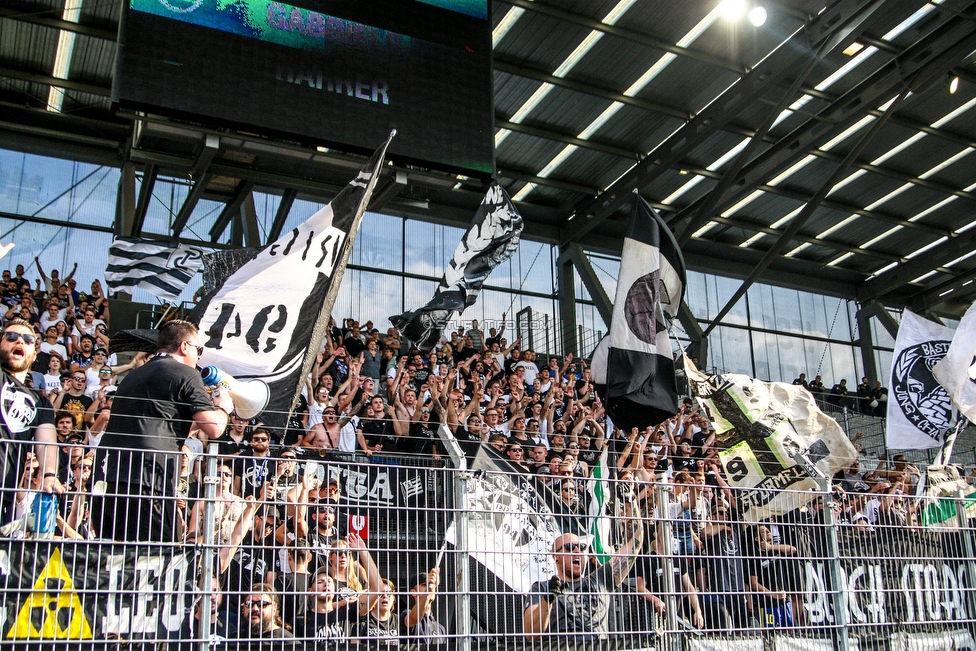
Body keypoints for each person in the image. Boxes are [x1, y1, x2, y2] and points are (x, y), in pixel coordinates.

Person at [90, 320, 232, 543]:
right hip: (149, 480)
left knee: (113, 557)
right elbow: (214, 428)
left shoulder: (135, 375)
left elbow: (161, 420)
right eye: (199, 350)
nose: (199, 357)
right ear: (184, 347)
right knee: (154, 557)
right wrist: (223, 407)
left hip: (109, 477)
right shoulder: (186, 373)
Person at [523, 519, 643, 639]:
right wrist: (547, 600)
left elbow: (635, 543)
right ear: (556, 556)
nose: (577, 551)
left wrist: (630, 501)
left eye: (581, 547)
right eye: (570, 547)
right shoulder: (542, 588)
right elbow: (531, 633)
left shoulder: (600, 580)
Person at [0, 318, 60, 524]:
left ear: (34, 354)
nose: (19, 341)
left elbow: (47, 442)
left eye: (27, 340)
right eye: (11, 337)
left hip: (4, 495)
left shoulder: (40, 402)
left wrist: (50, 474)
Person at [231, 584, 297, 649]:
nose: (255, 608)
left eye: (262, 604)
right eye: (249, 604)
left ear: (274, 609)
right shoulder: (234, 639)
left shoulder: (289, 643)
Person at [401, 569, 446, 646]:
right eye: (425, 585)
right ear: (413, 593)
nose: (431, 587)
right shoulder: (407, 615)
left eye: (432, 585)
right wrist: (427, 592)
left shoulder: (440, 628)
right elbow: (414, 618)